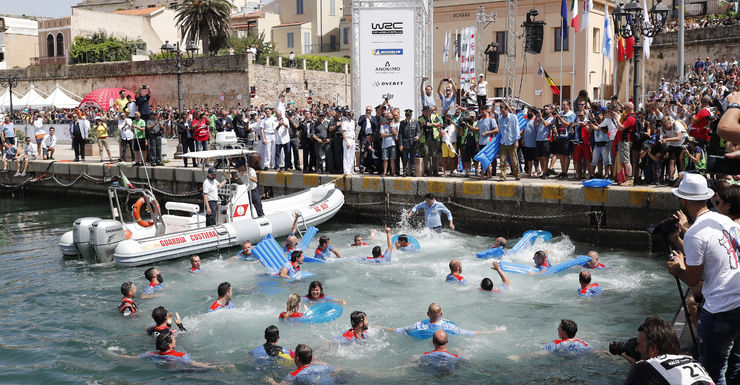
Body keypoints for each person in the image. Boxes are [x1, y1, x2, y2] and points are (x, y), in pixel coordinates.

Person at [666, 174, 740, 385]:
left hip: (720, 309)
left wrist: (676, 270)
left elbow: (692, 278)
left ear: (683, 200)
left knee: (712, 374)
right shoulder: (727, 221)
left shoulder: (695, 233)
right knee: (735, 366)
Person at [622, 317, 713, 385]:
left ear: (654, 349)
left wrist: (636, 367)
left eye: (639, 345)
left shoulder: (645, 367)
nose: (636, 349)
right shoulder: (692, 362)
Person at [388, 303, 489, 337]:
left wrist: (381, 327)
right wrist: (491, 331)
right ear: (441, 314)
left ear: (427, 314)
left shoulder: (419, 325)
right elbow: (469, 332)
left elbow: (398, 330)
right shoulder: (449, 326)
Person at [267, 344, 335, 385]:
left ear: (297, 358)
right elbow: (339, 369)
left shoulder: (293, 375)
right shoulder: (323, 367)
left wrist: (271, 381)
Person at [497, 104, 521, 181]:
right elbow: (500, 130)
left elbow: (516, 129)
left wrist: (516, 141)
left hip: (511, 142)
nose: (503, 113)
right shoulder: (500, 118)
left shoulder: (513, 117)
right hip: (503, 142)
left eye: (504, 111)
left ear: (507, 109)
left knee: (514, 160)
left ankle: (517, 174)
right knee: (502, 161)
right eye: (501, 112)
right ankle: (503, 176)